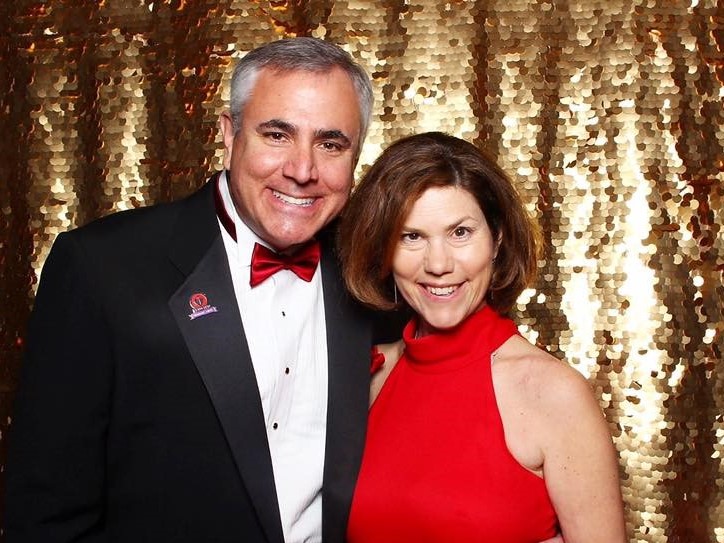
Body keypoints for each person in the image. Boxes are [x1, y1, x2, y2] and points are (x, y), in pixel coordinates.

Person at [5, 37, 396, 543]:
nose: (302, 170)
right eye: (277, 135)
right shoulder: (101, 268)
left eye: (331, 143)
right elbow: (45, 515)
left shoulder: (375, 273)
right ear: (229, 135)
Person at [338, 132, 627, 542]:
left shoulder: (553, 393)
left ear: (498, 239)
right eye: (411, 236)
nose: (438, 264)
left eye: (460, 233)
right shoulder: (369, 375)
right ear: (383, 250)